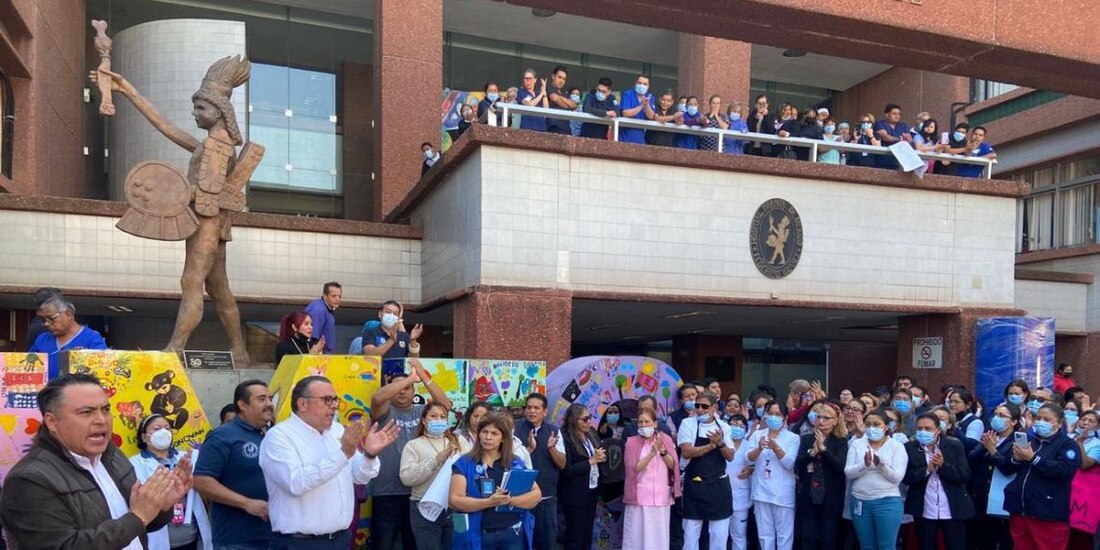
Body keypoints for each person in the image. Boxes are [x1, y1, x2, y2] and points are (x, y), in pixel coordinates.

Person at [0, 374, 187, 549]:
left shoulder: (112, 456)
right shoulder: (29, 480)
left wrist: (161, 507)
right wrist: (138, 517)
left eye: (105, 410)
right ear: (52, 422)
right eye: (86, 412)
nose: (101, 420)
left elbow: (138, 526)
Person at [258, 375, 398, 548]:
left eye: (335, 400)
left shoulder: (336, 431)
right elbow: (295, 483)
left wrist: (369, 454)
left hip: (340, 539)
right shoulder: (279, 437)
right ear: (303, 404)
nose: (334, 406)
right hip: (300, 543)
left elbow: (359, 476)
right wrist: (343, 454)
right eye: (327, 400)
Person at [368, 359, 452, 550]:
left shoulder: (422, 412)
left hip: (420, 494)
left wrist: (422, 377)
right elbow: (377, 399)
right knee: (383, 544)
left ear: (414, 392)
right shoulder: (385, 412)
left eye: (408, 387)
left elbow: (444, 405)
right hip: (388, 493)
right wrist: (407, 380)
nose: (402, 390)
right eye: (397, 386)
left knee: (414, 545)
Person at [193, 380, 274, 550]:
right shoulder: (223, 436)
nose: (268, 404)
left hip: (275, 536)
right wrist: (246, 503)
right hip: (237, 539)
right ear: (242, 404)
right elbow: (201, 481)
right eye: (261, 399)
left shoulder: (274, 436)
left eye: (270, 398)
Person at [449, 412, 542, 550]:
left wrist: (509, 500)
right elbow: (454, 500)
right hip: (480, 534)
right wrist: (489, 502)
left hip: (512, 533)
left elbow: (536, 494)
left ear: (503, 438)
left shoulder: (514, 462)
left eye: (494, 433)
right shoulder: (465, 463)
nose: (488, 437)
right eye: (484, 432)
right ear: (478, 434)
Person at [998, 403, 1079, 550]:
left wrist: (1033, 458)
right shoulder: (1029, 440)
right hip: (1020, 510)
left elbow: (1064, 470)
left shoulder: (1068, 445)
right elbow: (1006, 468)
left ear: (1059, 423)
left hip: (1048, 513)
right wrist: (1016, 458)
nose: (1041, 422)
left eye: (1047, 419)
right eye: (1039, 418)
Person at [130, 414, 213, 550]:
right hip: (160, 539)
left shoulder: (186, 457)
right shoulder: (134, 464)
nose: (163, 432)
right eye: (157, 429)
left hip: (191, 535)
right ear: (144, 437)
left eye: (167, 428)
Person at [902, 413, 974, 550]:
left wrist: (943, 465)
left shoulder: (954, 446)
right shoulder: (909, 448)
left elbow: (964, 475)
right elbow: (907, 478)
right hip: (924, 508)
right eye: (920, 428)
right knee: (926, 545)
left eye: (928, 429)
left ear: (938, 430)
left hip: (952, 508)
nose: (923, 432)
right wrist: (927, 470)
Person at [399, 401, 460, 550]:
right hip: (423, 507)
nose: (438, 420)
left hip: (454, 507)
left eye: (443, 417)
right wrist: (436, 460)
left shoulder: (458, 441)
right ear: (424, 420)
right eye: (433, 416)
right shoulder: (413, 445)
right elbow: (406, 478)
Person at [845, 409, 909, 550]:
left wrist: (880, 465)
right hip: (860, 501)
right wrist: (865, 465)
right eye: (868, 424)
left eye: (876, 424)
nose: (871, 428)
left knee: (886, 546)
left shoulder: (896, 446)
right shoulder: (857, 444)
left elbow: (897, 478)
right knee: (866, 546)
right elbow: (848, 472)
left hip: (887, 501)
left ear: (886, 426)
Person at [678, 391, 735, 550]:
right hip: (694, 486)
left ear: (715, 407)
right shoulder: (687, 424)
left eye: (705, 406)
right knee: (690, 534)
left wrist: (721, 443)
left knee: (719, 535)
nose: (700, 410)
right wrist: (711, 446)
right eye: (697, 406)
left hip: (718, 487)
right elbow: (687, 451)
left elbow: (730, 456)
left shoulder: (724, 427)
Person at [743, 400, 800, 550]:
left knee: (784, 534)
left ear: (785, 418)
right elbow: (747, 459)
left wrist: (776, 448)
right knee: (764, 534)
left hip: (782, 494)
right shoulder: (757, 435)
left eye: (778, 414)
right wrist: (759, 449)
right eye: (770, 414)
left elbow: (789, 464)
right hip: (761, 491)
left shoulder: (793, 438)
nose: (773, 417)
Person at [513, 393, 566, 550]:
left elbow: (562, 464)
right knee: (522, 541)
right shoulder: (514, 429)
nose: (532, 411)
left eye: (537, 408)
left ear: (545, 411)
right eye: (529, 407)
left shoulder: (554, 432)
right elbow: (508, 462)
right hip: (520, 497)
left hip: (546, 497)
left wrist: (551, 449)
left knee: (547, 541)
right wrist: (529, 449)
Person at [622, 407, 680, 550]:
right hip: (639, 498)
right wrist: (651, 454)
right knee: (637, 538)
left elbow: (673, 466)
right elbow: (633, 469)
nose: (643, 425)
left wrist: (662, 452)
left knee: (658, 538)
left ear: (655, 423)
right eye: (640, 422)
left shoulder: (665, 439)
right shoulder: (631, 443)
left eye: (647, 422)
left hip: (661, 497)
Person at [795, 402, 849, 550]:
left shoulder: (841, 441)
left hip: (831, 494)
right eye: (818, 417)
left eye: (826, 418)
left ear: (836, 420)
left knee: (828, 535)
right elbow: (798, 464)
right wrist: (812, 453)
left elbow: (839, 467)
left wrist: (824, 450)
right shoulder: (807, 439)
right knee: (808, 535)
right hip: (809, 492)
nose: (821, 421)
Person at [968, 402, 1020, 550]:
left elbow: (1009, 467)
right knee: (981, 540)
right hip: (980, 497)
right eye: (996, 414)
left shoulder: (1015, 441)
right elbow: (971, 459)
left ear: (1014, 421)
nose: (997, 418)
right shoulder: (990, 435)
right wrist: (984, 447)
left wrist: (993, 451)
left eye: (1002, 416)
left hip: (1000, 501)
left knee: (1003, 541)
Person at [559, 403, 606, 550]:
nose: (589, 422)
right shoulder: (565, 436)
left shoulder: (591, 433)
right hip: (574, 494)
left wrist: (601, 456)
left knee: (587, 532)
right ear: (574, 420)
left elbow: (598, 453)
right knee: (575, 535)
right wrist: (590, 461)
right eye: (585, 419)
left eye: (589, 418)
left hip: (591, 490)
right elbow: (567, 469)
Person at [29, 296, 107, 378]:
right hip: (46, 390)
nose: (46, 324)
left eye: (51, 318)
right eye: (44, 320)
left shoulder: (92, 339)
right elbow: (28, 365)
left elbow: (101, 371)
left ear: (68, 315)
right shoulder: (42, 339)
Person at [1068, 410, 1100, 550]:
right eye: (1083, 419)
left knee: (1081, 539)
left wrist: (1080, 443)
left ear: (1098, 426)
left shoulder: (1097, 444)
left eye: (1091, 421)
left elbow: (1085, 464)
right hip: (1064, 491)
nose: (1086, 423)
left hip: (1083, 498)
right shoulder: (1067, 438)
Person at [362, 300, 424, 366]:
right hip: (377, 374)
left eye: (395, 313)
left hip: (399, 374)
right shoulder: (370, 332)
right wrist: (391, 340)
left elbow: (413, 360)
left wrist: (413, 341)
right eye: (388, 312)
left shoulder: (403, 335)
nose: (391, 315)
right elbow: (370, 355)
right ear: (380, 314)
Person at [725, 414, 754, 550]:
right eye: (734, 425)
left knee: (739, 535)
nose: (737, 428)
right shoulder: (721, 445)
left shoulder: (749, 446)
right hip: (721, 496)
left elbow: (757, 465)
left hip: (741, 496)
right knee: (719, 534)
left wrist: (751, 469)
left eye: (741, 426)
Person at [303, 282, 341, 354]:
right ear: (324, 296)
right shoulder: (318, 309)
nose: (337, 299)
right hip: (318, 356)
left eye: (339, 296)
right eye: (334, 296)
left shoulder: (324, 309)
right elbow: (312, 337)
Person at [618, 74, 655, 144]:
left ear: (648, 86)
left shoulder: (650, 97)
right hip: (625, 137)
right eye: (640, 83)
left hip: (640, 138)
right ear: (635, 84)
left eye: (645, 84)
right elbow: (625, 113)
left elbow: (651, 116)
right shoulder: (628, 94)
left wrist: (647, 105)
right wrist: (641, 106)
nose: (642, 86)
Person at [873, 103, 911, 169]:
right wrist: (900, 139)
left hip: (899, 161)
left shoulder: (903, 125)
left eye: (899, 114)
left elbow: (909, 139)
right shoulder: (880, 124)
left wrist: (904, 139)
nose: (897, 116)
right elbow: (886, 138)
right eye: (894, 113)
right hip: (883, 160)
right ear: (887, 115)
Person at [545, 65, 577, 135]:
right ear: (553, 76)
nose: (561, 81)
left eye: (564, 79)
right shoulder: (548, 88)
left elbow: (574, 105)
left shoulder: (565, 94)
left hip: (566, 129)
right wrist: (567, 105)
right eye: (559, 77)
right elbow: (554, 98)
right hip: (554, 127)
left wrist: (560, 97)